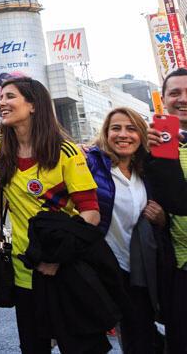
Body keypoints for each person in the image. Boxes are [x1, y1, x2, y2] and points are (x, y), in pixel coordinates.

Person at [0, 77, 107, 354]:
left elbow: (91, 213)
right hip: (24, 269)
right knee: (33, 346)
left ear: (34, 105)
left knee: (80, 345)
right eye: (1, 97)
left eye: (10, 97)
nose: (2, 102)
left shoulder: (66, 152)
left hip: (66, 270)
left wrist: (56, 257)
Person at [85, 108, 166, 354]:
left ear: (141, 135)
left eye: (131, 129)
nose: (123, 135)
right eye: (116, 128)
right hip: (103, 268)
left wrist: (161, 219)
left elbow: (167, 209)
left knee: (140, 335)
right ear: (106, 133)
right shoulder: (93, 165)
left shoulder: (147, 171)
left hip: (139, 269)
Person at [147, 68, 187, 354]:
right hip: (177, 268)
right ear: (164, 99)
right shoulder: (157, 147)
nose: (182, 99)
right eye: (175, 93)